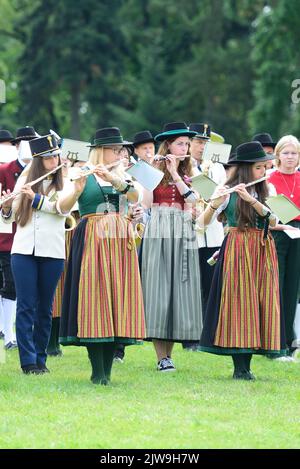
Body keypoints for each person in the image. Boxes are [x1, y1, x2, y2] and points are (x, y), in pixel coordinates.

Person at [59, 127, 146, 385]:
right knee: (94, 300)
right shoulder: (79, 172)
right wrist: (76, 190)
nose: (120, 153)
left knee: (116, 301)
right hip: (92, 238)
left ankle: (107, 370)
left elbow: (135, 196)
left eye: (121, 149)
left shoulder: (122, 175)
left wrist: (114, 177)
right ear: (101, 150)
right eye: (115, 149)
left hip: (120, 240)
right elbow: (62, 208)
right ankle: (98, 372)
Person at [199, 141, 285, 380]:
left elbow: (274, 220)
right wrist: (214, 203)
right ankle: (240, 368)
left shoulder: (269, 191)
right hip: (237, 248)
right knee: (239, 304)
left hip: (262, 249)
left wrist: (252, 199)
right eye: (259, 168)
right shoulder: (227, 191)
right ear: (247, 169)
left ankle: (249, 363)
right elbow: (202, 223)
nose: (264, 172)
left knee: (260, 302)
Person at [1, 134, 66, 374]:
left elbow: (62, 208)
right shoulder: (26, 178)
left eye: (56, 154)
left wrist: (36, 198)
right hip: (23, 250)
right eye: (49, 157)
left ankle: (41, 357)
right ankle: (28, 361)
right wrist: (7, 206)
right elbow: (12, 215)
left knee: (45, 308)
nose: (54, 159)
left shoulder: (65, 181)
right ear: (39, 159)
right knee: (26, 305)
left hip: (53, 251)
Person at [140, 122, 203, 372]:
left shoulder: (192, 172)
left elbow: (193, 202)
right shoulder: (151, 171)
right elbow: (146, 204)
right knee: (158, 291)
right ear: (168, 145)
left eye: (187, 144)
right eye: (180, 143)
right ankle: (160, 357)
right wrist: (152, 173)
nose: (185, 147)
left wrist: (176, 173)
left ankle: (170, 355)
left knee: (178, 292)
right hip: (159, 230)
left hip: (183, 231)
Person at [0, 126, 37, 351]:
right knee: (8, 284)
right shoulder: (6, 170)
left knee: (20, 285)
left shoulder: (38, 170)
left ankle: (11, 330)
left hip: (30, 233)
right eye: (22, 142)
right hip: (7, 232)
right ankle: (8, 333)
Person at [189, 123, 226, 347]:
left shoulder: (217, 167)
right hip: (188, 234)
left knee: (211, 284)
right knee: (191, 286)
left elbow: (223, 196)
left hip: (212, 233)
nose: (202, 146)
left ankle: (209, 333)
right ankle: (190, 335)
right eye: (199, 142)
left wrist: (211, 210)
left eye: (205, 142)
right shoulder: (184, 167)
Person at [268, 135, 300, 360]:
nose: (290, 157)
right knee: (276, 285)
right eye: (286, 153)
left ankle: (288, 339)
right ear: (278, 155)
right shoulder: (269, 179)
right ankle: (274, 341)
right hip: (277, 232)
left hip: (298, 233)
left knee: (292, 287)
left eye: (294, 153)